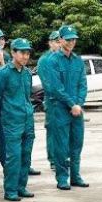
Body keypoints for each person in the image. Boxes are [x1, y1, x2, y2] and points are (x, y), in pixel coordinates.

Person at [38, 25, 88, 190]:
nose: (72, 42)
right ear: (60, 40)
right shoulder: (51, 61)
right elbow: (55, 87)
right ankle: (62, 178)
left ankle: (76, 176)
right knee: (61, 144)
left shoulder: (78, 60)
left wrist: (79, 104)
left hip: (76, 109)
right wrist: (71, 104)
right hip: (59, 108)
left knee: (76, 143)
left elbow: (82, 84)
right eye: (68, 39)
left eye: (74, 39)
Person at [0, 38, 36, 201]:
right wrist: (6, 112)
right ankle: (10, 190)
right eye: (22, 52)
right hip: (11, 120)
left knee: (26, 154)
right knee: (13, 156)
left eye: (27, 53)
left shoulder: (27, 74)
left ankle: (21, 187)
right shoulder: (3, 73)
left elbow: (27, 96)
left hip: (27, 119)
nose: (25, 56)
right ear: (14, 53)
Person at [36, 30, 62, 171]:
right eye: (57, 42)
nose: (59, 45)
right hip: (53, 100)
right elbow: (48, 83)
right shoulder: (45, 60)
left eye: (61, 41)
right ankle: (53, 160)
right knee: (52, 130)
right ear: (50, 43)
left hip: (65, 101)